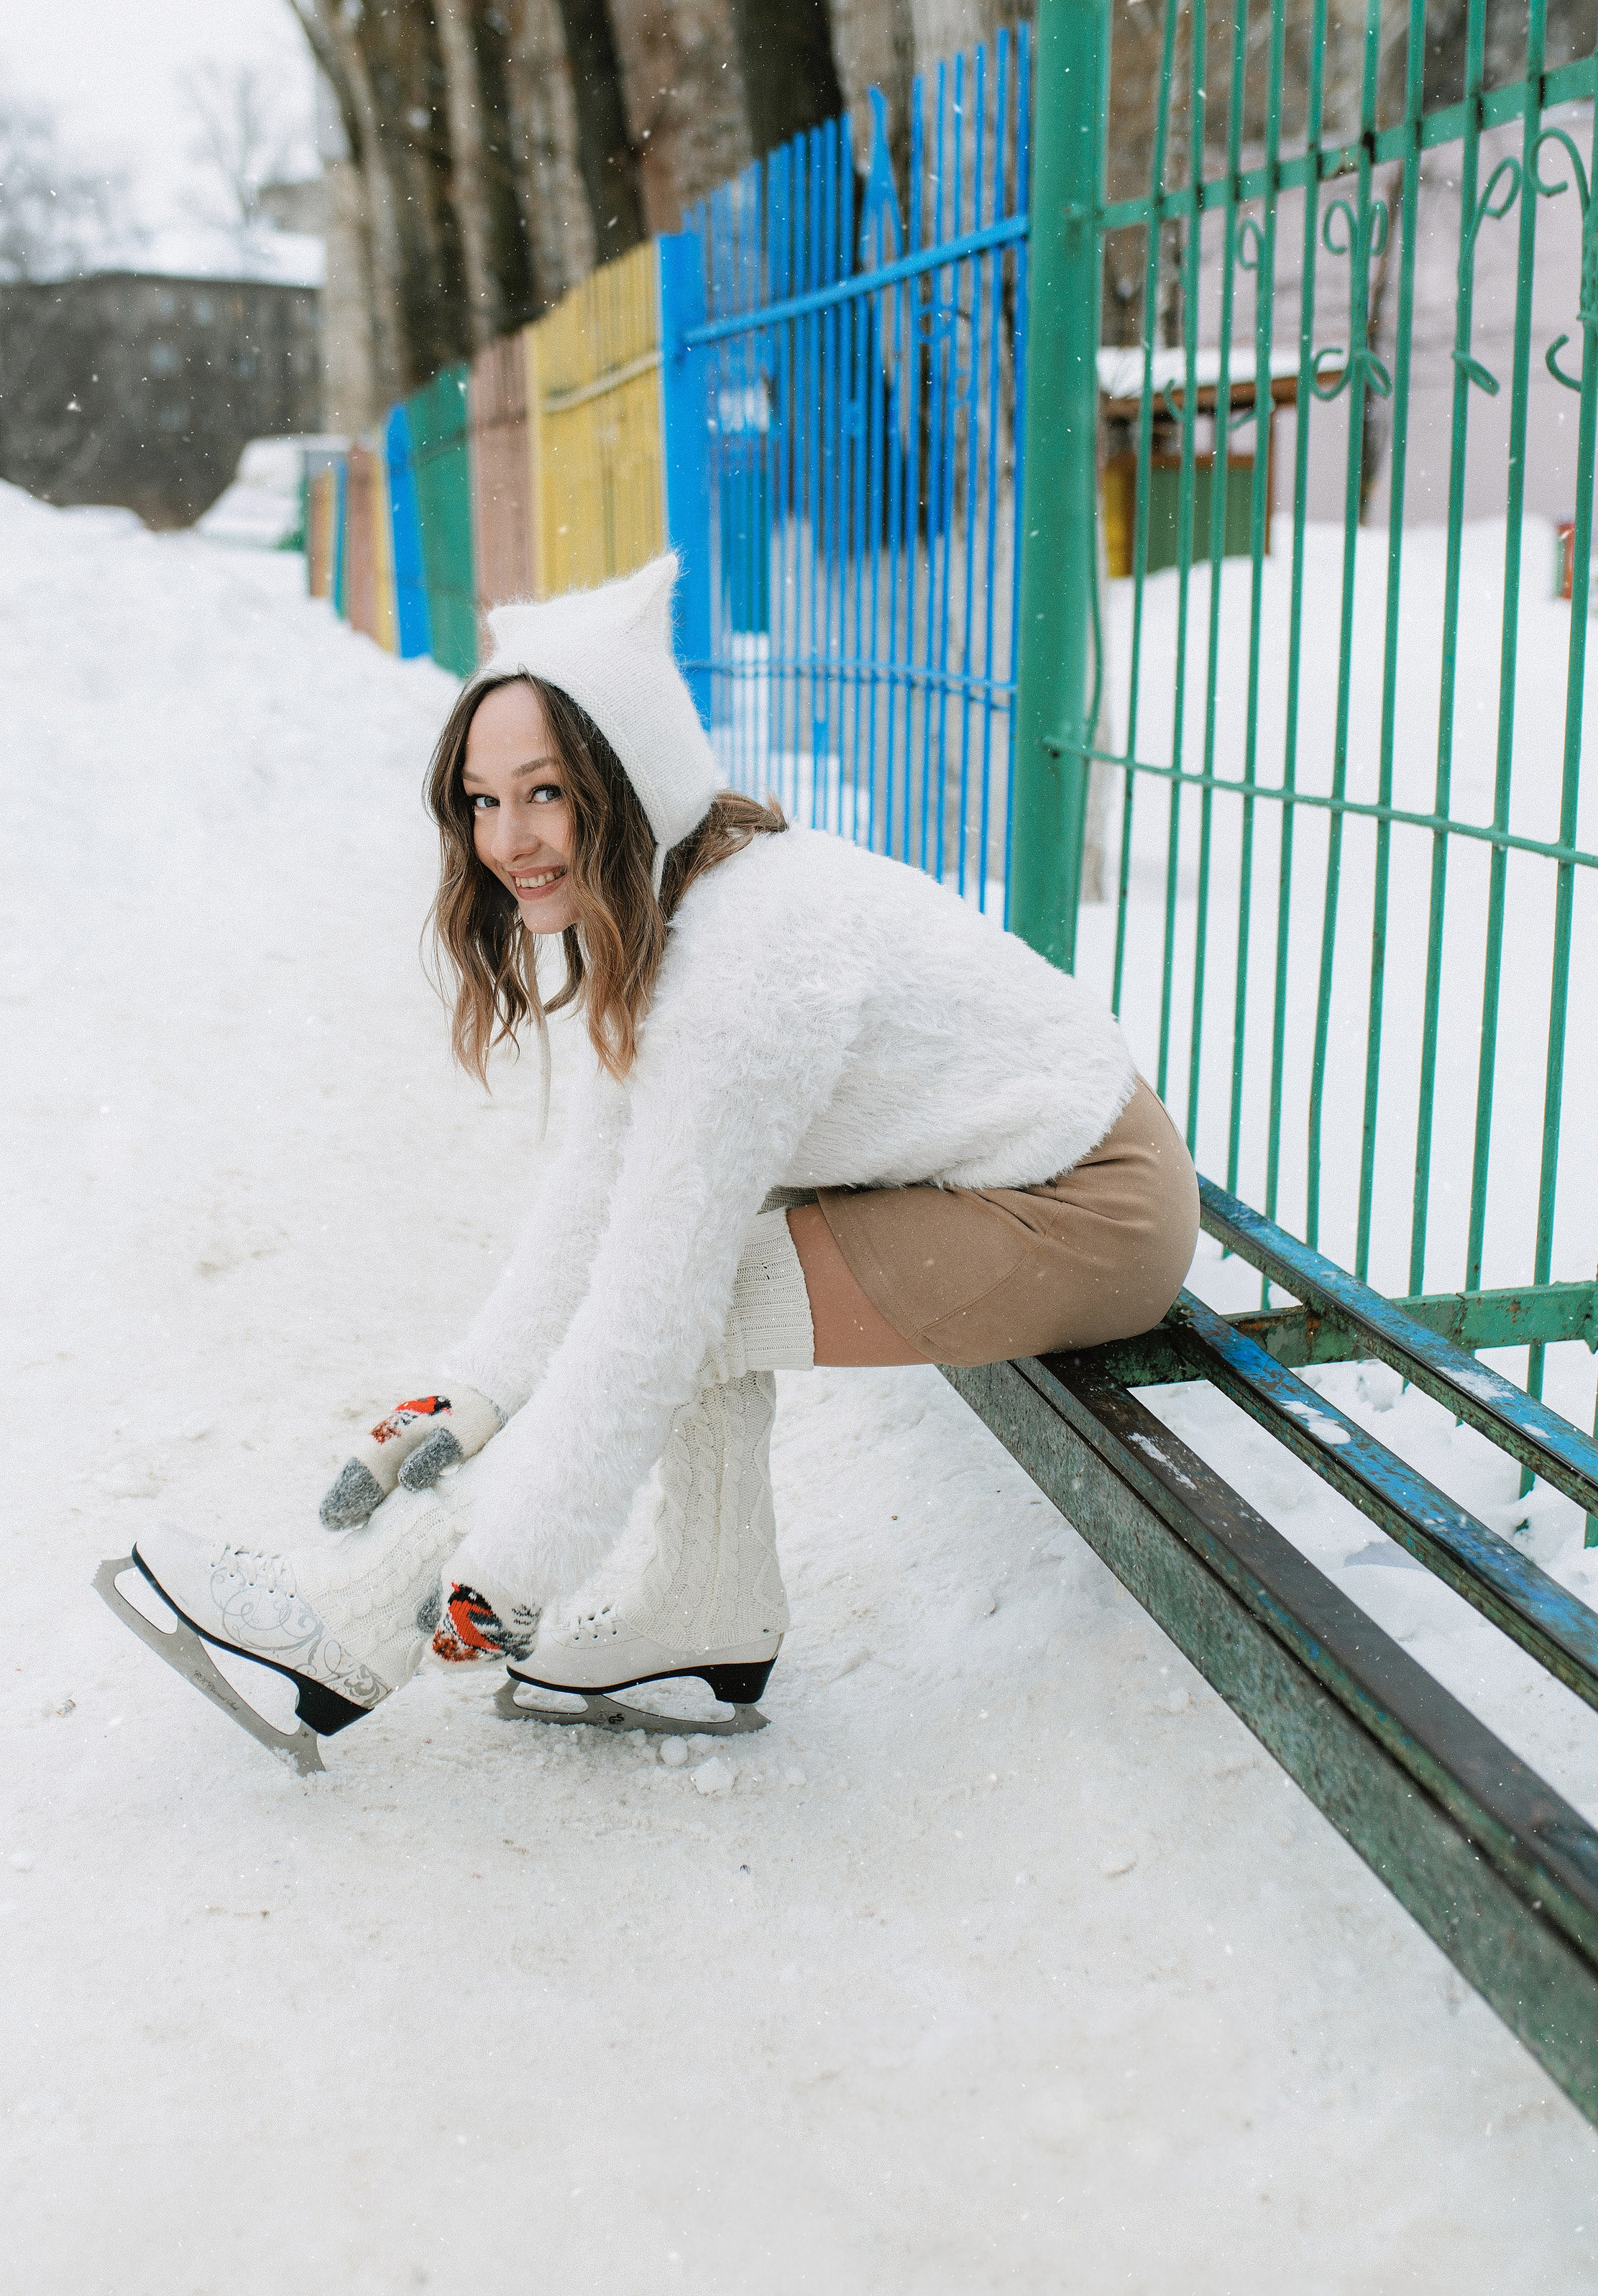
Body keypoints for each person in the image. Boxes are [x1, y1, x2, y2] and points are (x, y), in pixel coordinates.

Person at [104, 554, 1200, 1765]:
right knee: (685, 1256)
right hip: (1012, 1172)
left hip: (1085, 1206)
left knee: (699, 1293)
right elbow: (597, 1194)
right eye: (479, 799)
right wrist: (471, 1392)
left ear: (626, 782)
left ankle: (352, 1629)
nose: (506, 839)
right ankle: (708, 1605)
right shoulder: (675, 909)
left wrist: (506, 1568)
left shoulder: (742, 968)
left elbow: (646, 1312)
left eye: (544, 793)